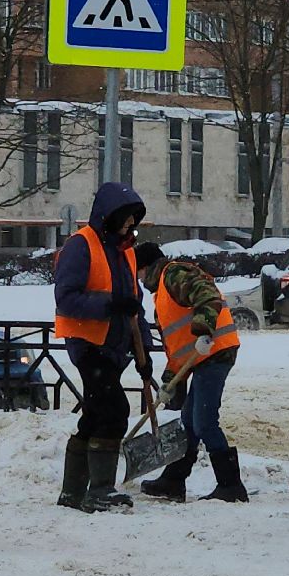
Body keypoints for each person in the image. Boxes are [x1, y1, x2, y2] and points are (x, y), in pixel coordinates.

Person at [54, 182, 151, 512]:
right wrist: (110, 304)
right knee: (113, 410)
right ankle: (100, 490)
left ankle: (72, 492)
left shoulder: (126, 253)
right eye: (124, 221)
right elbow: (67, 299)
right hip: (88, 343)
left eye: (133, 222)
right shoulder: (81, 246)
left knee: (95, 415)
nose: (129, 228)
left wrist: (145, 353)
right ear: (107, 217)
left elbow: (134, 307)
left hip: (114, 346)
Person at [135, 242, 248, 503]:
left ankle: (231, 486)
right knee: (189, 420)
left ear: (146, 267)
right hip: (202, 355)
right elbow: (179, 350)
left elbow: (207, 294)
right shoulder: (161, 294)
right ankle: (173, 481)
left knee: (204, 421)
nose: (139, 280)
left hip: (215, 350)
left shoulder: (174, 274)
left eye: (138, 273)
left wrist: (204, 328)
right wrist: (168, 384)